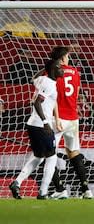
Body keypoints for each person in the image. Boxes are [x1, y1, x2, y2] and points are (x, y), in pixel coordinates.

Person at [9, 59, 64, 199]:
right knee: (51, 157)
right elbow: (37, 102)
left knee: (38, 156)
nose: (62, 70)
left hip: (32, 124)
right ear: (52, 70)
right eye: (59, 67)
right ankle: (43, 192)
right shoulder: (49, 84)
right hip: (41, 126)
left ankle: (17, 182)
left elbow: (33, 78)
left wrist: (45, 69)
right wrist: (46, 123)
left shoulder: (41, 79)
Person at [48, 46, 93, 199]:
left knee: (47, 154)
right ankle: (86, 189)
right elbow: (77, 94)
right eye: (67, 56)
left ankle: (60, 188)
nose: (68, 58)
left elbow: (51, 96)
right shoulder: (75, 72)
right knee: (74, 152)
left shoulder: (53, 72)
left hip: (57, 118)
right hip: (73, 118)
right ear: (62, 58)